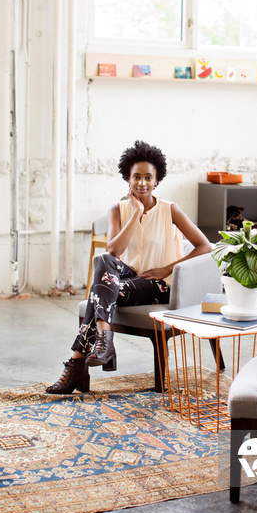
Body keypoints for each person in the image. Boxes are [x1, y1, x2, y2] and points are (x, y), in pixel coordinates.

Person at [46, 140, 211, 394]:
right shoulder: (118, 209)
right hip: (128, 278)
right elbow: (114, 251)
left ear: (157, 180)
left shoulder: (170, 210)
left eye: (148, 177)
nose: (142, 183)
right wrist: (135, 214)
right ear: (128, 178)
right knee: (103, 261)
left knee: (98, 293)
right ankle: (103, 340)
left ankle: (79, 363)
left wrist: (167, 268)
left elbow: (204, 246)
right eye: (137, 177)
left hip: (159, 285)